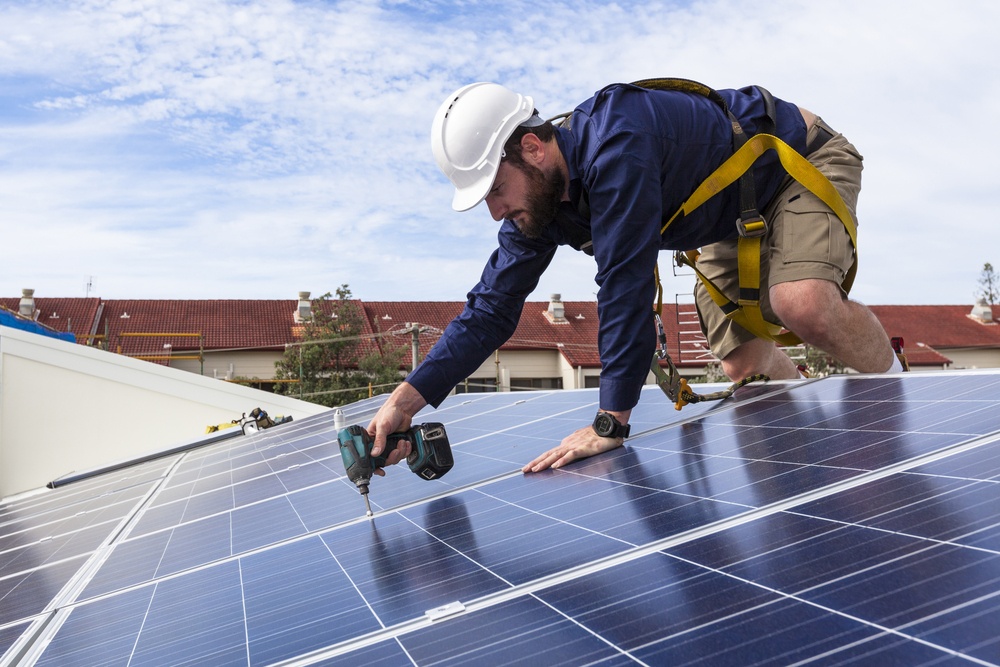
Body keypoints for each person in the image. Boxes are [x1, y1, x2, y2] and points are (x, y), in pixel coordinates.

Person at [367, 80, 902, 474]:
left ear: (532, 148)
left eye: (495, 190)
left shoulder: (617, 143)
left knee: (800, 302)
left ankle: (908, 407)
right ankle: (811, 472)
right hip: (725, 217)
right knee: (744, 362)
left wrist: (611, 421)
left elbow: (624, 288)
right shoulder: (538, 202)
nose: (495, 212)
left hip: (793, 165)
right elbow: (490, 311)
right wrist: (403, 402)